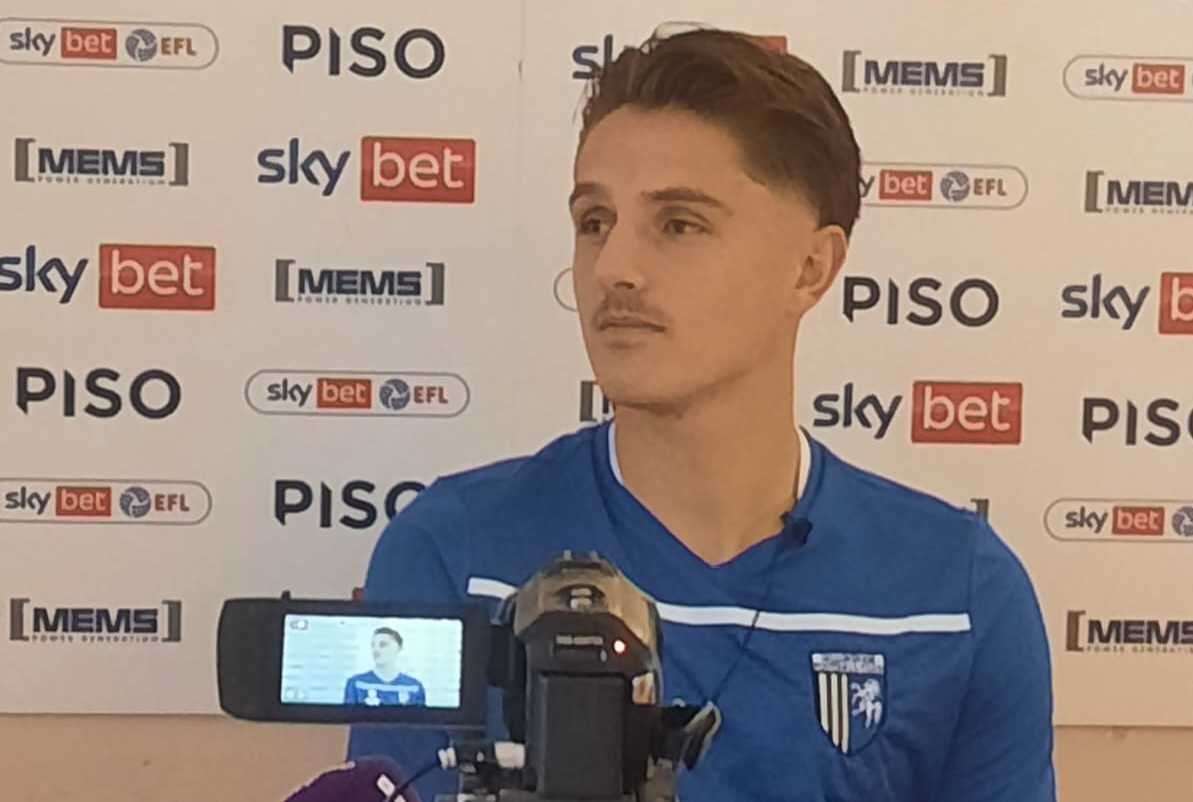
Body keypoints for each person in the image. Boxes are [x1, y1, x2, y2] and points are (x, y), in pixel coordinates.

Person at [348, 26, 1056, 802]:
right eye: (593, 221)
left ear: (811, 268)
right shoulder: (453, 550)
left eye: (678, 224)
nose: (613, 267)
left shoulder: (957, 592)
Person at [343, 627, 427, 707]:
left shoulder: (414, 686)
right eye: (373, 645)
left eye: (383, 645)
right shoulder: (356, 683)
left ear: (399, 648)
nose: (376, 650)